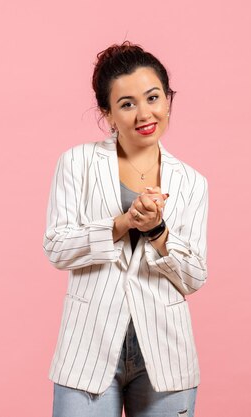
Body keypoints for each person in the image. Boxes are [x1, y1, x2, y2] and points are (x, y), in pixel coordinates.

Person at [43, 41, 209, 417]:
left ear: (168, 100)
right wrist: (123, 223)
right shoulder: (77, 164)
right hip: (87, 348)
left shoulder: (193, 183)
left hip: (166, 354)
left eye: (153, 98)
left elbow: (194, 276)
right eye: (127, 104)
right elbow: (56, 247)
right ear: (108, 113)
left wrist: (157, 232)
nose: (144, 113)